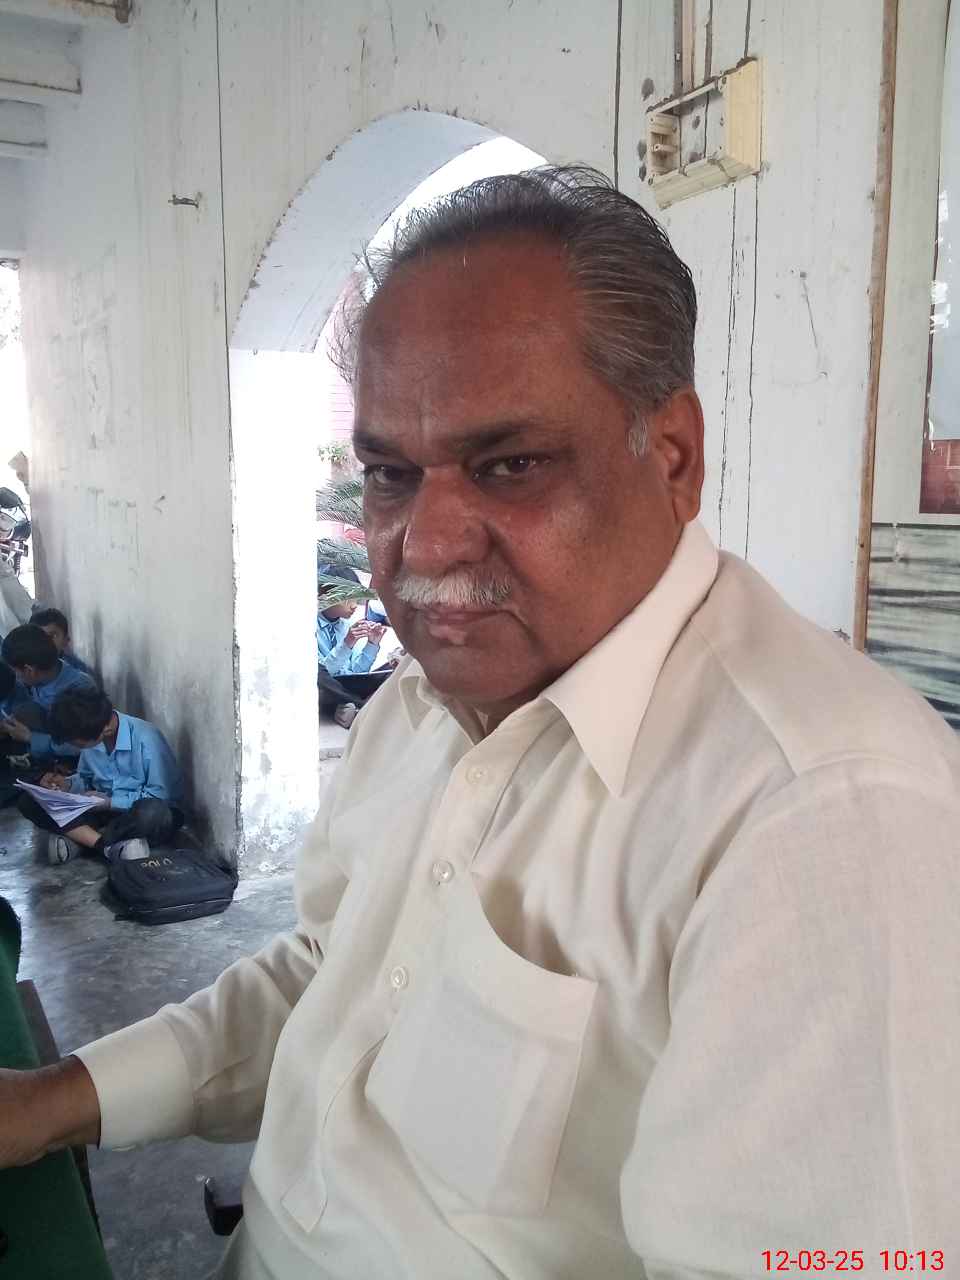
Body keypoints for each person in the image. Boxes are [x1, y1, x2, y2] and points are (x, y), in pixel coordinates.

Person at [2, 167, 959, 1279]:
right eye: (389, 473)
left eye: (511, 464)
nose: (427, 542)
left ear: (674, 457)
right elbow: (329, 975)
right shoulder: (416, 708)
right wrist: (52, 1100)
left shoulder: (822, 816)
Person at [16, 686, 185, 865]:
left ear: (105, 730)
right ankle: (106, 846)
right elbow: (86, 779)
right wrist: (67, 784)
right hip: (99, 811)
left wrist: (110, 803)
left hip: (131, 814)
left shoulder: (147, 738)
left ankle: (81, 840)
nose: (75, 747)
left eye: (77, 743)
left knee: (153, 813)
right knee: (29, 800)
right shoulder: (91, 731)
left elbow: (162, 796)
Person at [0, 624, 95, 762]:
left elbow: (85, 746)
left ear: (29, 670)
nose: (16, 677)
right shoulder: (39, 678)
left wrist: (30, 737)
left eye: (15, 671)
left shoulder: (80, 689)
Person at [316, 563, 387, 727]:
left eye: (356, 598)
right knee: (316, 673)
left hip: (343, 688)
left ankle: (350, 706)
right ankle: (361, 705)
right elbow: (326, 673)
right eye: (348, 599)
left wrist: (372, 644)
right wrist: (347, 643)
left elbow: (356, 672)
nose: (354, 605)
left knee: (393, 668)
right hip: (325, 689)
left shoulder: (344, 626)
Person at [30, 607, 96, 680]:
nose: (46, 642)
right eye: (39, 636)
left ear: (66, 640)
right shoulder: (23, 671)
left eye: (53, 636)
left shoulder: (80, 673)